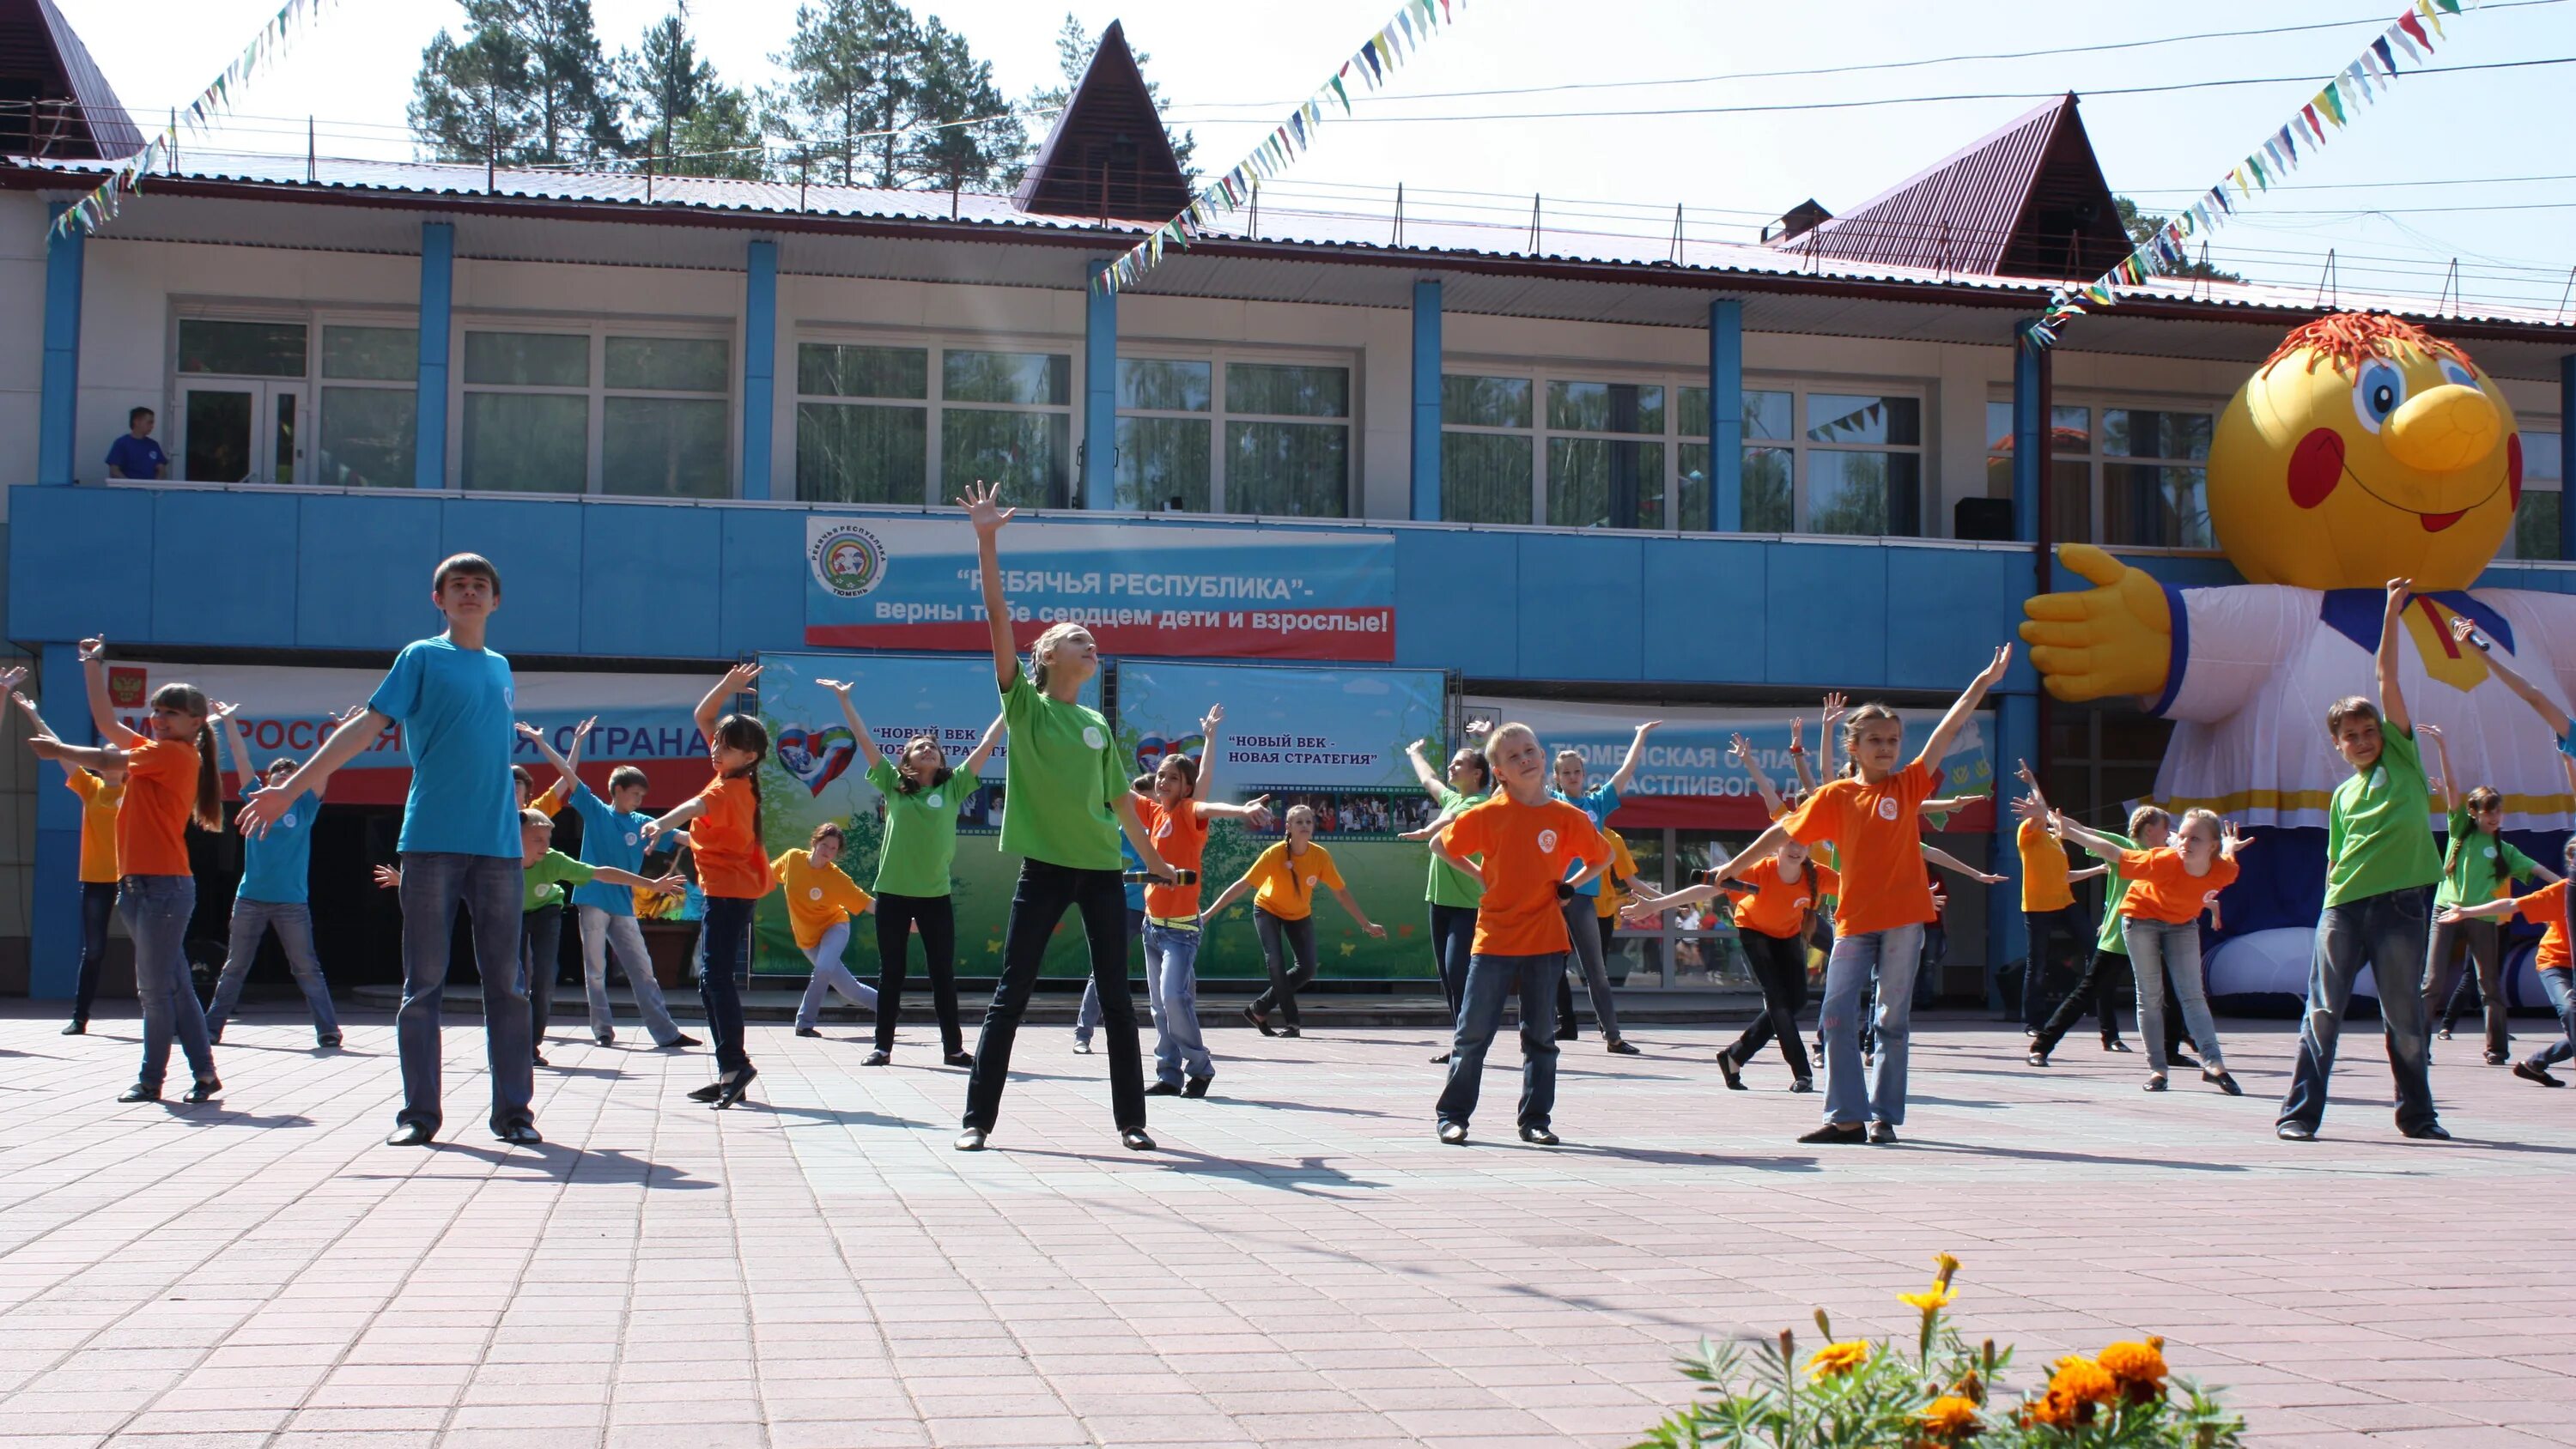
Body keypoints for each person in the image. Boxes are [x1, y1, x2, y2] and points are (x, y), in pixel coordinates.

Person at [242, 554, 538, 1148]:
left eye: (481, 586)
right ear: (440, 599)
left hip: (500, 849)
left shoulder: (502, 668)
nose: (470, 593)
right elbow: (365, 727)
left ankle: (515, 1115)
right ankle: (419, 1117)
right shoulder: (421, 656)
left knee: (507, 986)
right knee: (422, 984)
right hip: (430, 843)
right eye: (458, 586)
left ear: (496, 601)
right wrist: (290, 786)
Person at [1710, 646, 2013, 1145]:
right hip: (1853, 921)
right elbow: (1783, 834)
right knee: (1835, 1014)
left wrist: (1982, 682)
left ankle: (1884, 1119)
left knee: (1891, 1019)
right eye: (1875, 739)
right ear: (1854, 746)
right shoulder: (1835, 797)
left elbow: (1947, 732)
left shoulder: (1909, 784)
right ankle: (1846, 1117)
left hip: (1904, 920)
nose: (1886, 747)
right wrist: (1733, 867)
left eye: (1893, 740)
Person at [954, 482, 1177, 1154]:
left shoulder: (1095, 723)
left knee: (1118, 1000)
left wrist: (1157, 862)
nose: (1092, 646)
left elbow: (1119, 804)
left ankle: (1132, 1121)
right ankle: (977, 1122)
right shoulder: (1024, 704)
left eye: (1093, 641)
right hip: (1045, 869)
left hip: (1102, 872)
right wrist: (986, 539)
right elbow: (997, 618)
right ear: (1047, 655)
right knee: (1010, 994)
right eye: (1078, 640)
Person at [2276, 578, 2447, 1143]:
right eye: (2352, 736)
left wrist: (2392, 614)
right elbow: (2334, 861)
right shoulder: (2342, 796)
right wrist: (2329, 909)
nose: (2364, 740)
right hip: (2343, 909)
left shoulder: (2403, 762)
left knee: (2403, 1019)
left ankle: (2418, 1119)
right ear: (2339, 745)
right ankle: (2299, 1116)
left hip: (2401, 907)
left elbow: (2386, 678)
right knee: (2322, 1012)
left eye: (2370, 731)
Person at [23, 643, 225, 1105]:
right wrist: (92, 665)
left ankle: (151, 1080)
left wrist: (57, 749)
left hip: (162, 889)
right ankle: (205, 1075)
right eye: (157, 711)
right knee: (172, 987)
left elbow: (110, 759)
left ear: (196, 723)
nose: (160, 718)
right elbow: (108, 725)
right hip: (138, 887)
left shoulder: (176, 755)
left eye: (172, 713)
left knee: (154, 992)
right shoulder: (158, 748)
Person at [1425, 722, 1607, 1145]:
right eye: (1513, 756)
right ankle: (1452, 1116)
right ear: (1500, 772)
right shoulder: (1488, 815)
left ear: (1543, 757)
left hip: (1546, 943)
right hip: (1494, 941)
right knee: (1472, 1035)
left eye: (1530, 750)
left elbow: (1601, 858)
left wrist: (1570, 887)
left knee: (1541, 1038)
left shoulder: (1568, 817)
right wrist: (1479, 876)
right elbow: (1440, 846)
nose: (1525, 759)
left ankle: (1536, 1121)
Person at [815, 680, 1002, 1069]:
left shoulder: (954, 788)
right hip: (894, 894)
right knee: (892, 972)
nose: (928, 749)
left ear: (941, 759)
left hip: (935, 895)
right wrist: (845, 700)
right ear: (907, 761)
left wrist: (1010, 707)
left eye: (933, 747)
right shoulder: (893, 786)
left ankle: (954, 1049)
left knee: (941, 974)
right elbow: (865, 740)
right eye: (920, 747)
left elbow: (985, 745)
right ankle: (882, 1047)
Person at [641, 664, 774, 1110]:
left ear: (750, 756)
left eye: (729, 747)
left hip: (731, 891)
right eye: (718, 743)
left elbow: (695, 805)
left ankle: (735, 1066)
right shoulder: (730, 775)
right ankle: (728, 1070)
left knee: (716, 979)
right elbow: (703, 716)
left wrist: (662, 821)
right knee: (711, 980)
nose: (716, 749)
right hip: (729, 888)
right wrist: (728, 687)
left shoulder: (728, 790)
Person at [516, 729, 699, 1051]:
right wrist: (545, 743)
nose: (639, 801)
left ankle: (666, 1033)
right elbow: (567, 774)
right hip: (592, 900)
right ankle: (603, 1030)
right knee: (596, 969)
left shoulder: (643, 823)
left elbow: (684, 838)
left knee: (643, 969)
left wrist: (719, 845)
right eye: (635, 795)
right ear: (617, 790)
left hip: (623, 904)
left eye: (642, 797)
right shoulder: (597, 811)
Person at [2054, 808, 2251, 1094]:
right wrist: (2070, 832)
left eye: (2195, 839)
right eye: (2182, 836)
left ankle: (2214, 1064)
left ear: (2212, 847)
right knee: (2150, 995)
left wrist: (2231, 846)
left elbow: (2229, 857)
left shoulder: (2225, 871)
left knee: (2193, 995)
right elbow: (2114, 852)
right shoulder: (2163, 860)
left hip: (2182, 924)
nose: (2184, 843)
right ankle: (2158, 1069)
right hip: (2141, 919)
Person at [1127, 708, 1272, 1098]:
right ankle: (1169, 1074)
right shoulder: (1153, 811)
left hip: (1182, 931)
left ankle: (1200, 1067)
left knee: (1175, 998)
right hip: (1152, 927)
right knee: (1159, 1007)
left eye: (1172, 778)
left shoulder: (1191, 812)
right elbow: (1118, 793)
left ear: (1185, 787)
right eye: (1160, 776)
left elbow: (1209, 800)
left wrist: (1241, 808)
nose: (1162, 781)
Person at [1624, 838, 1834, 1092]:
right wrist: (1656, 905)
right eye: (1789, 843)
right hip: (1754, 930)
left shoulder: (1817, 875)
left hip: (1787, 933)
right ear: (1775, 845)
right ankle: (1803, 1073)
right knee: (1778, 1000)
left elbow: (1860, 885)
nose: (1796, 849)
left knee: (1798, 1001)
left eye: (1803, 844)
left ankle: (1735, 1055)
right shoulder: (1757, 871)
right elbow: (1709, 888)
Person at [204, 700, 355, 1048]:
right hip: (250, 899)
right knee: (234, 967)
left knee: (306, 969)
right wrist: (229, 722)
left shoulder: (305, 805)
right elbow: (241, 760)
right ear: (268, 781)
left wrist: (339, 731)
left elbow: (324, 765)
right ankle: (212, 1028)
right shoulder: (256, 797)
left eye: (290, 776)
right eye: (278, 775)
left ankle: (328, 1030)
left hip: (292, 903)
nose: (284, 778)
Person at [2419, 723, 2553, 1064]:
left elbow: (2539, 871)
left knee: (2489, 984)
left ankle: (2496, 1049)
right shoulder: (2460, 831)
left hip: (2483, 917)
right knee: (2432, 983)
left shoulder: (2504, 849)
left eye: (2498, 812)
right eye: (2488, 812)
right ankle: (2417, 1046)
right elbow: (2451, 788)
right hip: (2446, 911)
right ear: (2474, 813)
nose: (2495, 818)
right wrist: (2443, 746)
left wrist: (2568, 886)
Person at [1206, 803, 1387, 1038]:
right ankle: (1293, 1024)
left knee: (1307, 968)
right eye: (1299, 822)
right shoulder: (1274, 854)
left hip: (1299, 914)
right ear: (1288, 827)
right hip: (1267, 909)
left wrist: (1366, 924)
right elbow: (1243, 885)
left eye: (1308, 821)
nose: (1305, 826)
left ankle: (1258, 1010)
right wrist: (1208, 913)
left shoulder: (1320, 856)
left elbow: (1341, 893)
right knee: (1276, 964)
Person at [2026, 806, 2184, 1067]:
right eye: (2165, 827)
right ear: (2149, 829)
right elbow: (2084, 832)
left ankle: (2171, 1052)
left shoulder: (2166, 856)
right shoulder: (2126, 846)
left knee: (2171, 994)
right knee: (2086, 993)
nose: (2169, 833)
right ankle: (2041, 1046)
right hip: (2121, 936)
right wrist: (2045, 812)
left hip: (2156, 936)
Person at [10, 688, 122, 1036]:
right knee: (94, 951)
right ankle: (80, 1017)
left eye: (118, 755)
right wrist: (33, 713)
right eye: (108, 755)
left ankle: (172, 1019)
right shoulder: (91, 788)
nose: (112, 758)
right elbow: (57, 748)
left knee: (155, 952)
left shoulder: (137, 792)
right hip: (96, 879)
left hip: (133, 879)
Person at [1547, 723, 1660, 1053]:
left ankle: (1613, 1037)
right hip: (1550, 895)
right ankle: (1540, 1033)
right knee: (1546, 966)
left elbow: (1627, 771)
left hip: (1583, 899)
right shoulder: (1549, 801)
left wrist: (1640, 735)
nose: (1572, 777)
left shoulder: (1597, 803)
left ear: (1584, 774)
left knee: (1596, 970)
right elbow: (1513, 775)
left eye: (1576, 771)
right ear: (1556, 778)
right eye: (1565, 772)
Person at [2441, 835, 2576, 1088]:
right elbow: (2512, 904)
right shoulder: (2562, 891)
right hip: (2556, 963)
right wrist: (2467, 912)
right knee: (2571, 1009)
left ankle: (2536, 1063)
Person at [1405, 734, 1491, 1064]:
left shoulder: (1478, 802)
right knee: (1448, 976)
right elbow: (1429, 779)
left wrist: (1429, 831)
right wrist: (1415, 752)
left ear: (1477, 774)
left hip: (1468, 905)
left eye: (1459, 763)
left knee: (1458, 973)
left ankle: (1470, 1041)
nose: (1451, 767)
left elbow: (1450, 822)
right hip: (1439, 902)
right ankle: (1463, 1043)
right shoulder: (1455, 798)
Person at [2009, 761, 2111, 1034]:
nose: (2037, 810)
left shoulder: (2054, 839)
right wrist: (2032, 785)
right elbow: (2042, 810)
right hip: (2038, 907)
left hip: (2065, 903)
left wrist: (2099, 869)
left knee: (2096, 949)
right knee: (2037, 963)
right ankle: (2032, 1022)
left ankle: (2095, 1010)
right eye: (2032, 809)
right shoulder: (2027, 835)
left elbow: (2065, 877)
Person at [775, 823, 881, 1037]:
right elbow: (767, 876)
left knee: (823, 969)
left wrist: (903, 920)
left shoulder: (837, 878)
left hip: (835, 927)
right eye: (825, 845)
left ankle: (804, 1023)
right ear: (815, 842)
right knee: (848, 989)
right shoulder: (792, 858)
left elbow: (868, 903)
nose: (828, 852)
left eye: (834, 849)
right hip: (808, 939)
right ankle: (888, 1008)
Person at [105, 406, 168, 480]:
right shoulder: (122, 443)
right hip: (128, 490)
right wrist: (131, 485)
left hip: (150, 490)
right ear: (137, 421)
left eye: (152, 423)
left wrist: (155, 485)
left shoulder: (153, 445)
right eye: (149, 422)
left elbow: (161, 469)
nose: (152, 426)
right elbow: (114, 471)